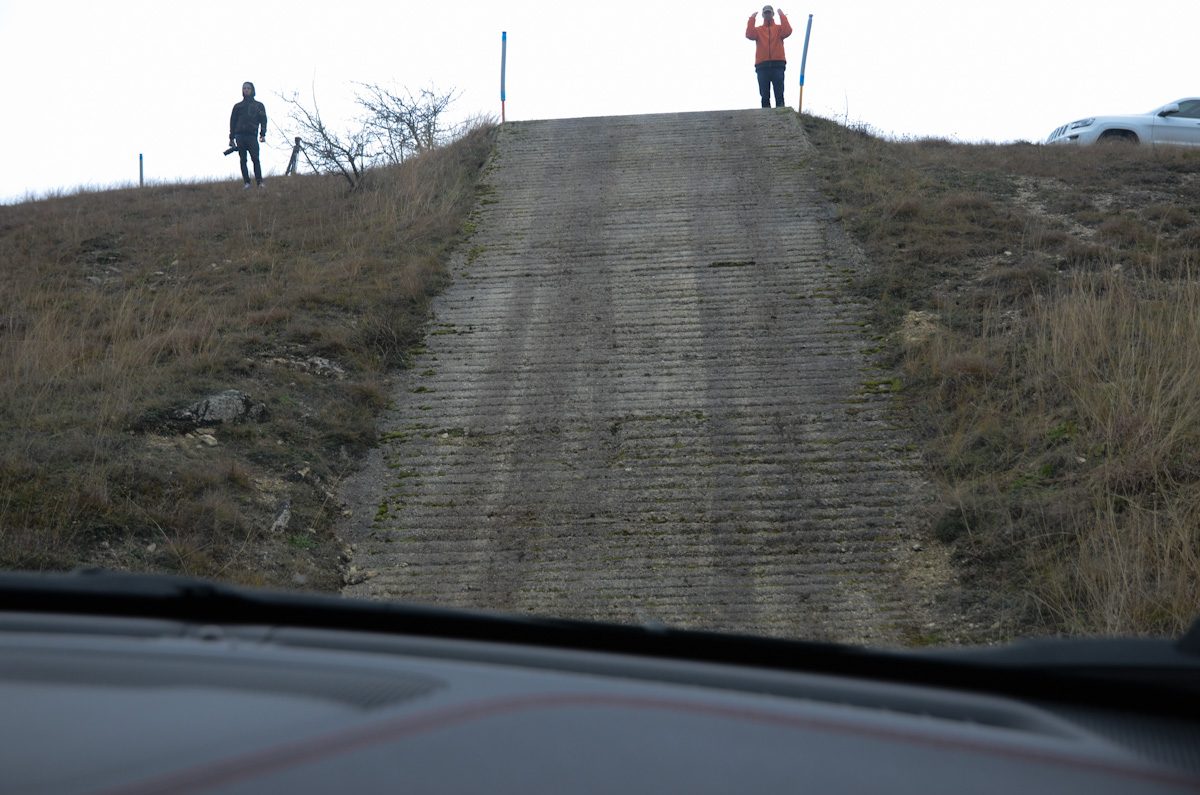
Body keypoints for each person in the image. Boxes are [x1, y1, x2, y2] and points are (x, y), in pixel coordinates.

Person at [746, 6, 792, 108]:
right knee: (764, 94)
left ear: (772, 14)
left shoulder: (779, 29)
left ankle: (781, 114)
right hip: (762, 66)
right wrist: (752, 19)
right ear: (763, 15)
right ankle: (766, 116)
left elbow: (788, 31)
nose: (767, 14)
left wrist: (782, 15)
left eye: (769, 12)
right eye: (766, 13)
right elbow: (749, 34)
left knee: (779, 92)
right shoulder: (758, 30)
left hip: (778, 64)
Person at [229, 82, 268, 189]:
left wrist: (263, 134)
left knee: (255, 159)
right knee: (243, 160)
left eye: (248, 88)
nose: (246, 90)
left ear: (252, 90)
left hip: (252, 135)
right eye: (244, 88)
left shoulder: (259, 105)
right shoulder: (237, 106)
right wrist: (231, 138)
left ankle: (259, 182)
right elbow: (232, 122)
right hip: (240, 136)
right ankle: (247, 183)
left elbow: (263, 120)